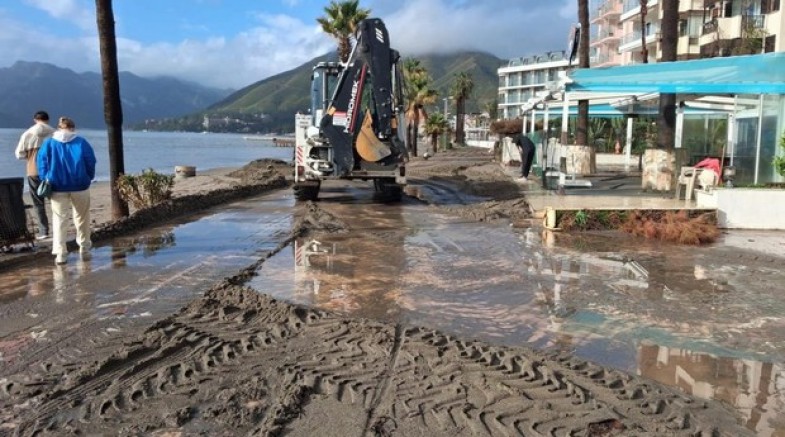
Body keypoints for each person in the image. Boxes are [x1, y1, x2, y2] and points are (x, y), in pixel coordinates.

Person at [37, 117, 97, 265]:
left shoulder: (49, 143)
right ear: (73, 128)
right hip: (80, 186)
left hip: (57, 187)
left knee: (59, 220)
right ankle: (84, 247)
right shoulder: (81, 142)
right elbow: (91, 161)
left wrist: (46, 177)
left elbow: (41, 162)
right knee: (82, 218)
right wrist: (88, 177)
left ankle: (61, 253)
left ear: (58, 128)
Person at [14, 111, 56, 239]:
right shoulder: (55, 133)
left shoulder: (27, 134)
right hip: (52, 172)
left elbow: (19, 154)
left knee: (38, 203)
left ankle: (44, 231)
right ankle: (60, 229)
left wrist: (30, 155)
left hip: (33, 171)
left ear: (35, 120)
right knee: (56, 202)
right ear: (47, 120)